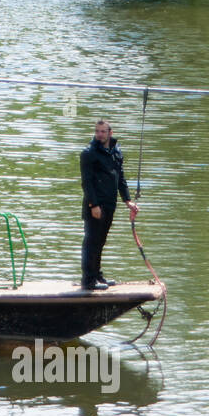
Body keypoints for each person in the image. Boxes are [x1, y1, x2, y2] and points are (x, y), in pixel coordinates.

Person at [79, 119, 139, 290]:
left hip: (110, 204)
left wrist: (128, 201)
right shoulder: (89, 154)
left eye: (103, 131)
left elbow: (120, 178)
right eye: (97, 131)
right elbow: (87, 183)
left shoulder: (116, 152)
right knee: (91, 241)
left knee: (101, 241)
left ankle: (97, 275)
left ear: (110, 133)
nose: (99, 135)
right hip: (95, 206)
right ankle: (88, 280)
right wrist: (93, 205)